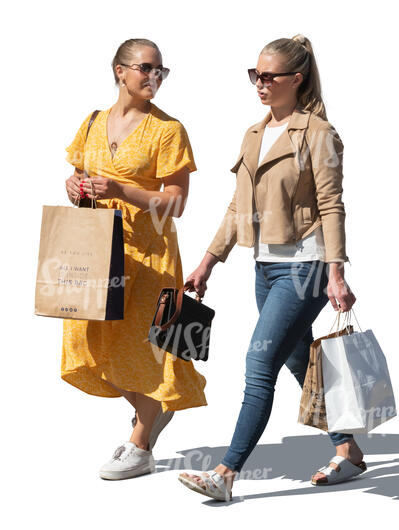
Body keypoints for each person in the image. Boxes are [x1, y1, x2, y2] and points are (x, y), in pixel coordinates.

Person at [178, 34, 365, 502]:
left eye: (269, 76)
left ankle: (225, 473)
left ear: (296, 79)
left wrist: (337, 272)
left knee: (260, 362)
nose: (259, 84)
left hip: (306, 268)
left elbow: (332, 205)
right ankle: (347, 448)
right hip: (263, 267)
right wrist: (207, 262)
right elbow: (236, 207)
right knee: (299, 361)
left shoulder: (319, 134)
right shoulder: (255, 134)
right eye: (254, 75)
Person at [62, 38, 207, 480]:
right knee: (89, 345)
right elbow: (78, 172)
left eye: (161, 69)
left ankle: (139, 444)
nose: (154, 77)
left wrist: (123, 191)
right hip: (100, 248)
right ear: (119, 71)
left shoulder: (169, 129)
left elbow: (176, 203)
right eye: (145, 67)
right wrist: (73, 185)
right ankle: (155, 410)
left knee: (154, 346)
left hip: (152, 253)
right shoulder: (91, 122)